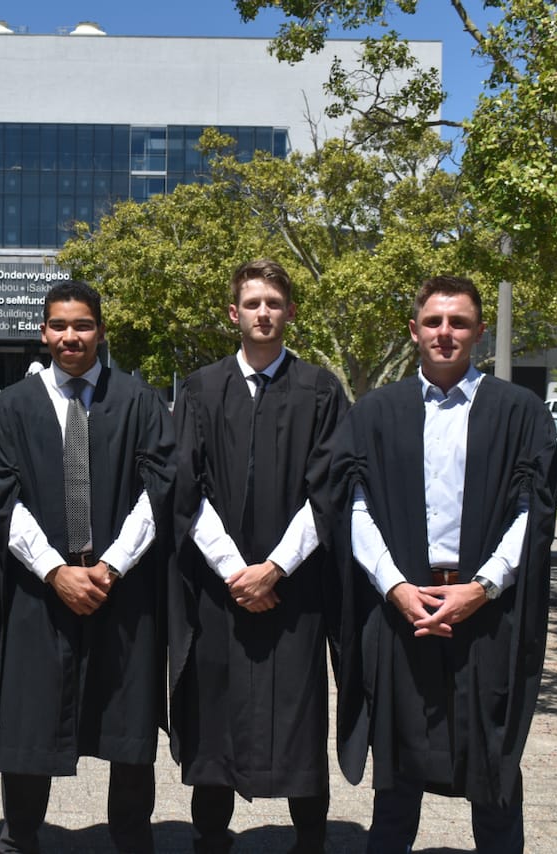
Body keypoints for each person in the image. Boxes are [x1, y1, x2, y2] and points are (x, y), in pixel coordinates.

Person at [329, 276, 557, 853]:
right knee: (397, 770)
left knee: (493, 763)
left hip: (487, 614)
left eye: (459, 322)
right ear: (414, 330)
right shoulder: (376, 412)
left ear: (479, 332)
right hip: (402, 611)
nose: (445, 332)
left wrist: (483, 587)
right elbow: (352, 506)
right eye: (433, 321)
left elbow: (534, 512)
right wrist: (395, 587)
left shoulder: (520, 412)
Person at [0, 279, 174, 854]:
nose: (71, 336)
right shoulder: (12, 406)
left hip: (121, 591)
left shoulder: (138, 401)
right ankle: (19, 839)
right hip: (40, 593)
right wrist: (53, 570)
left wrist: (110, 566)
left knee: (128, 732)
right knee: (30, 727)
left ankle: (132, 841)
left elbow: (159, 488)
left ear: (100, 332)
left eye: (83, 325)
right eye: (59, 326)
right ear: (43, 332)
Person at [169, 260, 348, 853]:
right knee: (215, 717)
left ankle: (310, 841)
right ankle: (209, 839)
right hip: (220, 592)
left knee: (299, 716)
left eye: (273, 302)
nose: (263, 313)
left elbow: (329, 490)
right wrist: (234, 571)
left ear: (290, 311)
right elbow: (185, 488)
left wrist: (274, 569)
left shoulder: (321, 390)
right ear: (234, 313)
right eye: (252, 303)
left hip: (294, 593)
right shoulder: (200, 389)